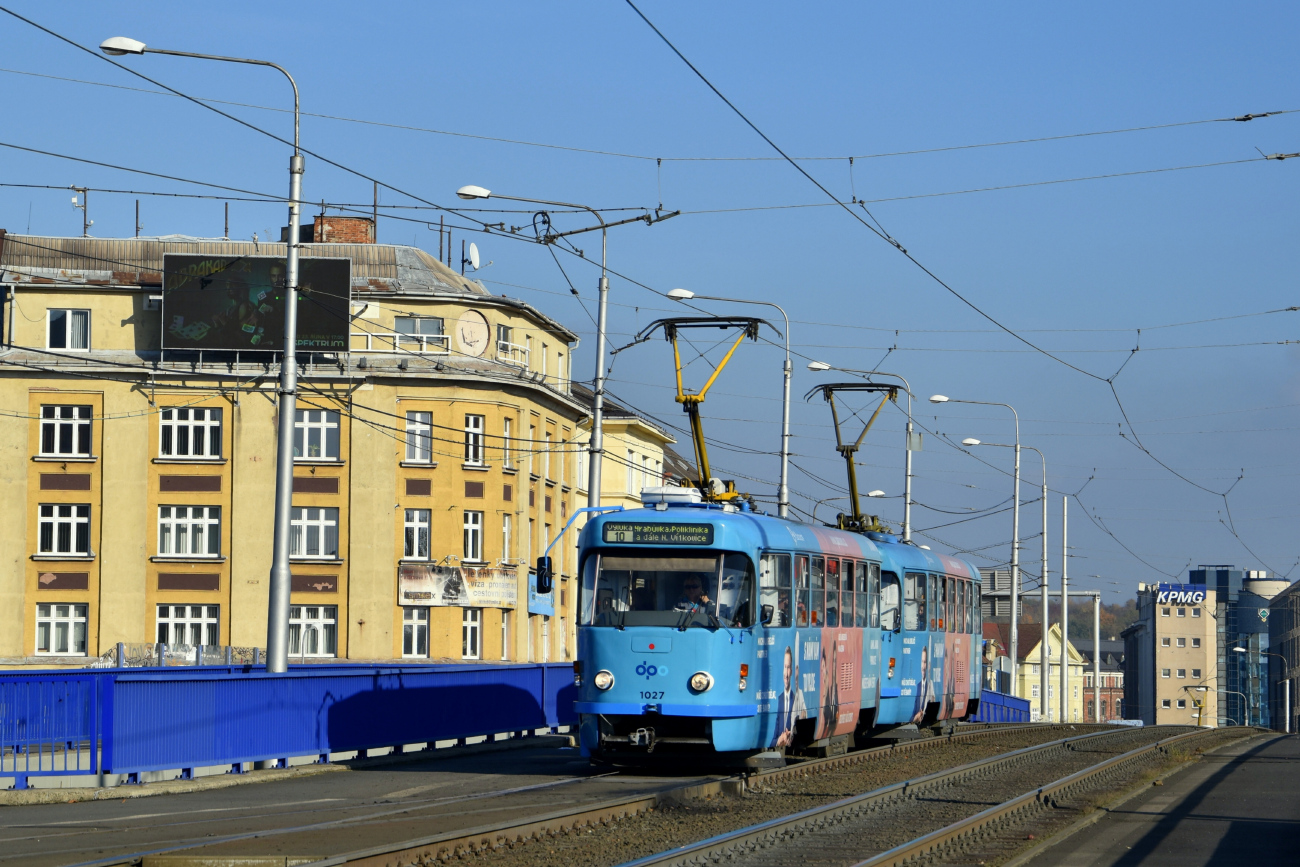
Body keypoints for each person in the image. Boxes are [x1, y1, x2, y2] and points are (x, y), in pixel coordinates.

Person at [773, 646, 806, 748]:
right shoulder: (779, 699)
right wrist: (778, 741)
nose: (786, 674)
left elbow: (804, 714)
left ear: (791, 671)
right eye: (784, 667)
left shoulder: (797, 697)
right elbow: (773, 737)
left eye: (788, 668)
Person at [911, 642, 935, 724]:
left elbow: (932, 701)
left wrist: (922, 713)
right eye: (922, 662)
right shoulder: (917, 685)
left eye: (925, 662)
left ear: (928, 664)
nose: (923, 666)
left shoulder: (930, 684)